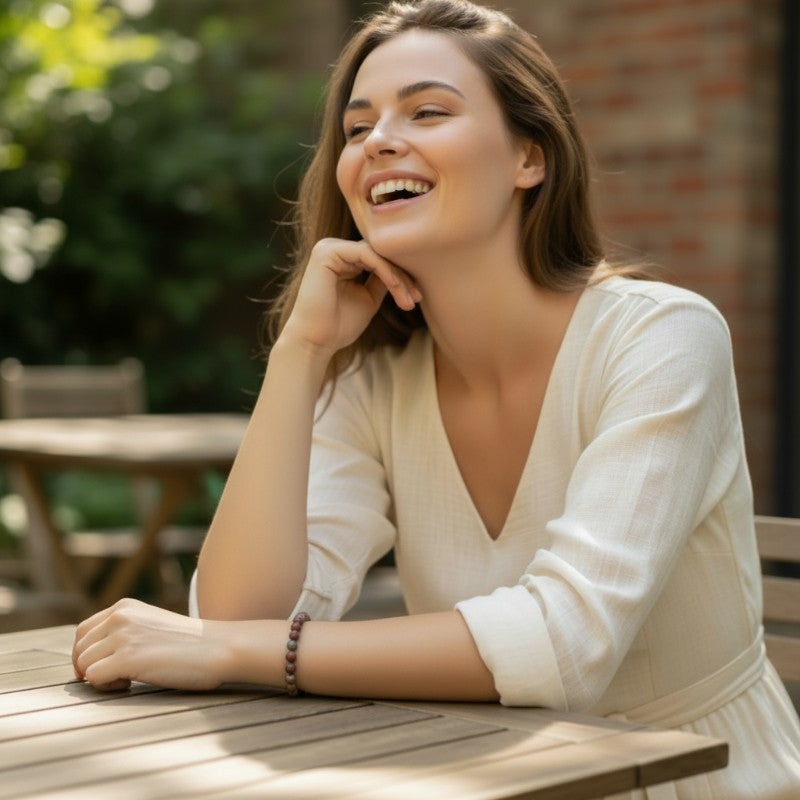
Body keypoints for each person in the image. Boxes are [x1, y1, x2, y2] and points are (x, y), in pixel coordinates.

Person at [72, 0, 800, 796]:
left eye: (427, 111)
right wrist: (301, 352)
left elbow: (565, 643)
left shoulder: (662, 338)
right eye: (356, 128)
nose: (379, 140)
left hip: (697, 779)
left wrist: (245, 654)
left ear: (530, 156)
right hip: (486, 773)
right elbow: (239, 609)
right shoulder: (378, 376)